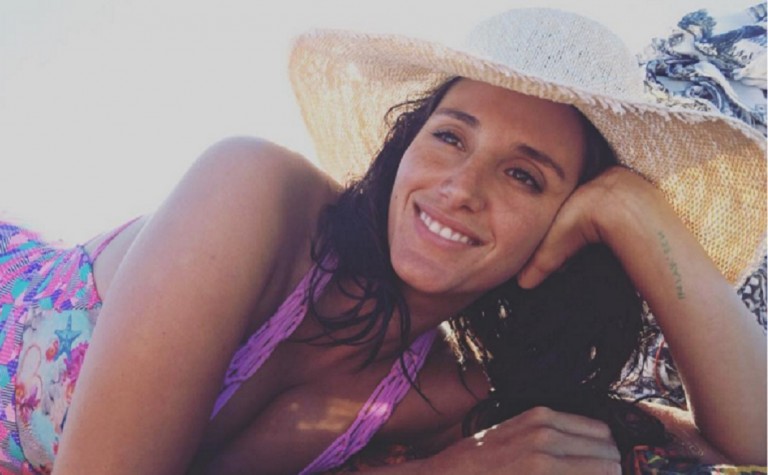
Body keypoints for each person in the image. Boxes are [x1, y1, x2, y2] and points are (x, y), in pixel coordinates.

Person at [0, 7, 764, 475]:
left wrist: (634, 210)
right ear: (405, 144)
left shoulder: (444, 387)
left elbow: (751, 440)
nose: (460, 187)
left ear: (565, 230)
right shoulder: (256, 195)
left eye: (524, 176)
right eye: (450, 136)